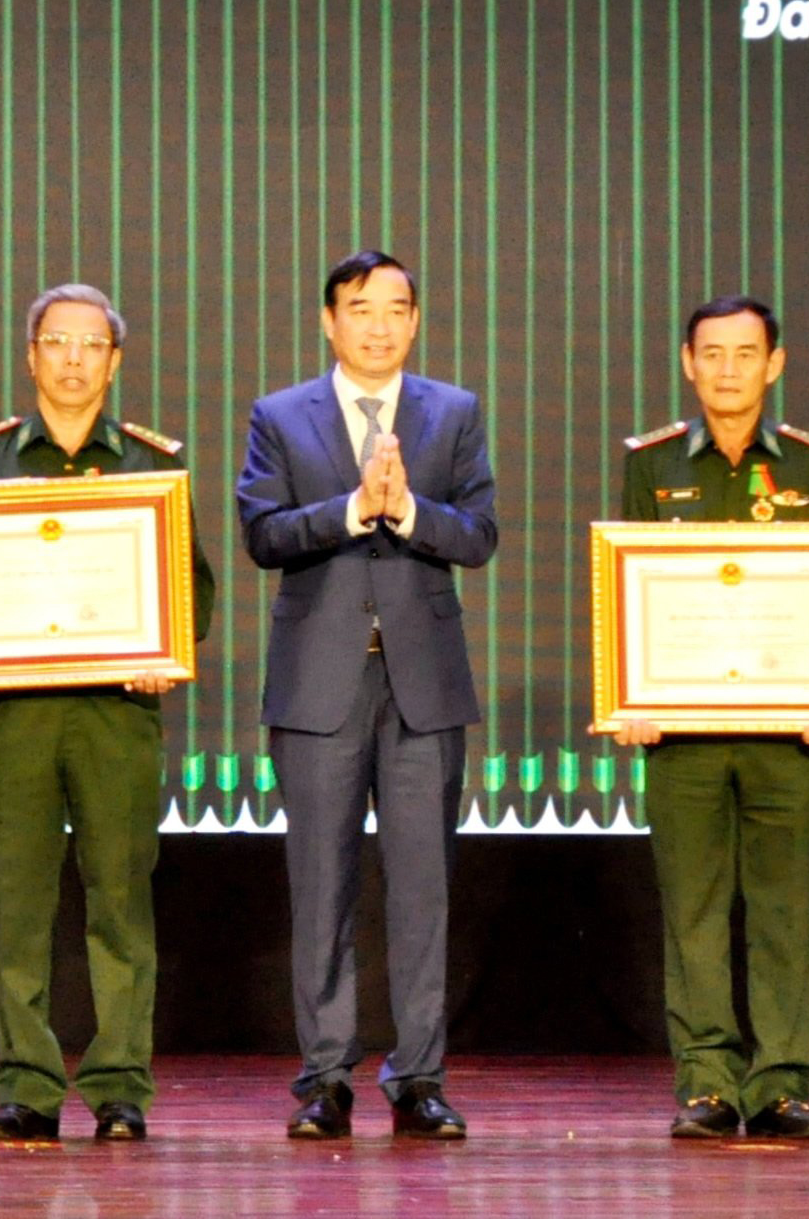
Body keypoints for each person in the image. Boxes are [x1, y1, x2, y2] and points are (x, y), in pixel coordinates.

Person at [0, 285, 216, 1144]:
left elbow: (192, 591)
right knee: (17, 905)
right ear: (30, 355)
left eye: (90, 345)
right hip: (14, 719)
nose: (71, 358)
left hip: (113, 717)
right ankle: (24, 1083)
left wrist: (164, 645)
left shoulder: (147, 464)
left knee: (120, 903)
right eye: (55, 341)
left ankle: (121, 1084)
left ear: (115, 360)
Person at [236, 250, 498, 1141]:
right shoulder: (279, 415)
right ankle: (324, 1077)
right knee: (322, 887)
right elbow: (263, 533)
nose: (379, 324)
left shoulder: (453, 412)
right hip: (319, 682)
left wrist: (411, 511)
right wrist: (353, 509)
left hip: (423, 684)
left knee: (423, 888)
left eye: (396, 308)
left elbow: (480, 533)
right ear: (329, 320)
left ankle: (419, 1076)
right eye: (360, 308)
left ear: (415, 320)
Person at [611, 296, 809, 1143]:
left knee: (784, 914)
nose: (727, 369)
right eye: (711, 353)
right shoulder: (651, 465)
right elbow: (629, 587)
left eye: (745, 353)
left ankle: (783, 1084)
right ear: (687, 361)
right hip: (683, 737)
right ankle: (708, 1083)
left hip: (789, 735)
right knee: (695, 915)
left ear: (774, 365)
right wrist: (631, 695)